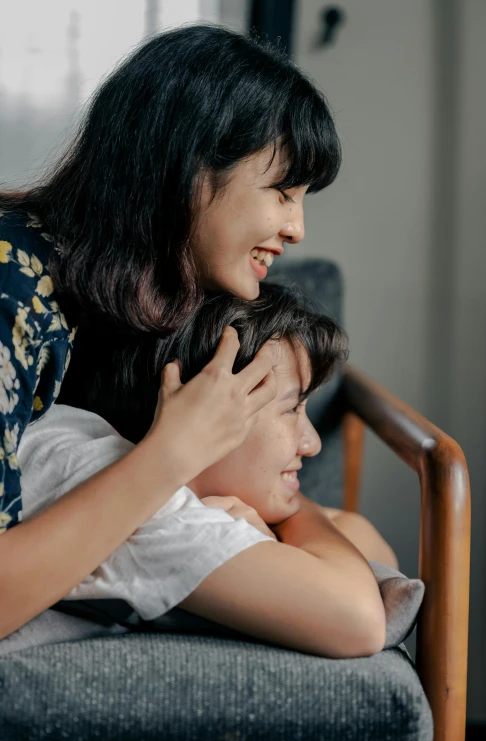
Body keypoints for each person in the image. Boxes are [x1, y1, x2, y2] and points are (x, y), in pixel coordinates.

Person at [0, 23, 342, 640]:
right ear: (189, 172)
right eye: (282, 192)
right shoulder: (12, 286)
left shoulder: (135, 297)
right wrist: (169, 458)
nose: (297, 228)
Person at [10, 282, 397, 659]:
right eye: (292, 408)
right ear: (205, 408)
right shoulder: (152, 514)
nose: (311, 443)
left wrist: (286, 519)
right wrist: (295, 519)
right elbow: (360, 619)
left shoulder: (86, 441)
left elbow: (370, 543)